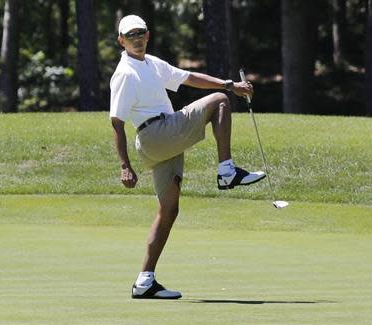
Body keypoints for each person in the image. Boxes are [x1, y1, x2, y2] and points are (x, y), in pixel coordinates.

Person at [110, 15, 265, 300]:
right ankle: (227, 171)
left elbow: (189, 77)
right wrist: (124, 166)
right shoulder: (125, 73)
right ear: (121, 40)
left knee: (169, 210)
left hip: (163, 139)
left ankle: (144, 281)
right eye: (130, 35)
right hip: (155, 134)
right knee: (218, 102)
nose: (136, 38)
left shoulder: (153, 64)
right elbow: (117, 122)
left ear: (148, 35)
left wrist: (228, 83)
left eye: (140, 33)